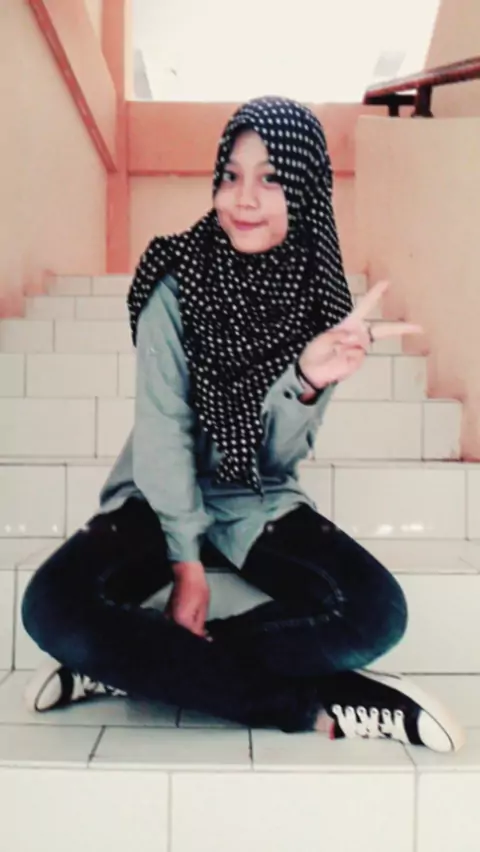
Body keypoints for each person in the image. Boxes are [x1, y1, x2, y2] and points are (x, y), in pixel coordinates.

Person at [21, 96, 464, 752]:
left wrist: (306, 379)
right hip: (157, 497)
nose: (243, 197)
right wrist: (186, 563)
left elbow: (277, 458)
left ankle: (125, 662)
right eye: (230, 176)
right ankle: (317, 703)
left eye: (271, 178)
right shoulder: (174, 280)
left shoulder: (321, 302)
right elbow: (164, 430)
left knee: (378, 612)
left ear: (305, 189)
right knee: (51, 607)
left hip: (255, 498)